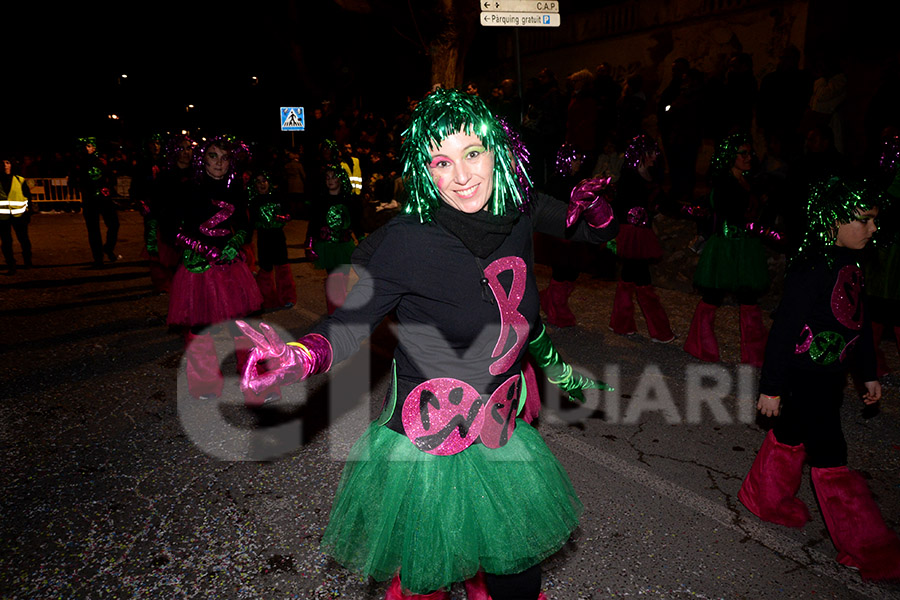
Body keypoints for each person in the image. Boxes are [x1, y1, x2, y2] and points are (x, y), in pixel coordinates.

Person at [235, 87, 618, 599]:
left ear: (496, 152)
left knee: (516, 572)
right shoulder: (406, 241)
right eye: (442, 161)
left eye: (472, 154)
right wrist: (298, 356)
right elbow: (348, 326)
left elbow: (588, 234)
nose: (461, 177)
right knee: (428, 574)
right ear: (425, 170)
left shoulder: (518, 206)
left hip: (499, 423)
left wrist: (595, 210)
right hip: (430, 436)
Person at [738, 175, 900, 581]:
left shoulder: (853, 265)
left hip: (829, 377)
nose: (873, 229)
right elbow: (783, 330)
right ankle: (868, 546)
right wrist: (771, 387)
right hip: (802, 376)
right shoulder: (812, 268)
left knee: (792, 434)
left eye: (875, 221)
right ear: (832, 220)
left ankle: (764, 498)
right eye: (864, 220)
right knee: (831, 454)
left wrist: (868, 373)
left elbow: (857, 324)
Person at [166, 136, 263, 402]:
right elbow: (171, 230)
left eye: (224, 157)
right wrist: (201, 247)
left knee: (242, 326)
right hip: (198, 267)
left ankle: (254, 378)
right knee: (201, 326)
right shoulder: (187, 189)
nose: (219, 162)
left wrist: (235, 241)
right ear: (202, 159)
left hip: (229, 265)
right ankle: (205, 384)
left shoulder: (236, 190)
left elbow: (244, 225)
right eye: (213, 155)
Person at [683, 133, 770, 367]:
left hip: (745, 246)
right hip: (726, 246)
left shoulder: (749, 180)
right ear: (730, 156)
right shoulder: (723, 182)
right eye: (743, 153)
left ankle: (754, 354)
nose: (748, 157)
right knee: (713, 296)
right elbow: (728, 212)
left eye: (750, 152)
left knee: (748, 299)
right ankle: (700, 345)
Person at [607, 135, 675, 342]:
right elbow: (620, 205)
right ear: (642, 154)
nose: (656, 155)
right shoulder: (629, 176)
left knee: (629, 277)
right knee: (643, 280)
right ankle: (660, 331)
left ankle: (621, 323)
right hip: (632, 234)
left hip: (641, 233)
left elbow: (660, 202)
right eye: (652, 151)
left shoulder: (650, 175)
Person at [307, 164, 361, 314]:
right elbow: (313, 224)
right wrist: (309, 244)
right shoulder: (320, 200)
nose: (330, 181)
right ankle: (336, 312)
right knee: (334, 279)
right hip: (327, 247)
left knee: (343, 279)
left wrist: (362, 239)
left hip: (344, 246)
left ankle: (341, 309)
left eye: (334, 177)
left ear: (340, 179)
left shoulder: (349, 200)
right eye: (327, 178)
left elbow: (357, 223)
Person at [248, 170, 296, 310]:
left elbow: (289, 212)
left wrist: (286, 217)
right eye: (258, 181)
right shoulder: (254, 202)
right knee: (265, 269)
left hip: (278, 238)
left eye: (264, 181)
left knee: (283, 267)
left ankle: (287, 297)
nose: (262, 184)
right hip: (264, 239)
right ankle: (268, 299)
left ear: (269, 182)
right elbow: (250, 223)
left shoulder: (277, 197)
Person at [70, 137, 120, 268]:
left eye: (90, 146)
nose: (88, 149)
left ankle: (108, 248)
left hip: (104, 199)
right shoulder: (79, 163)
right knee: (93, 230)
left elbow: (111, 176)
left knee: (114, 224)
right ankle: (98, 259)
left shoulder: (101, 161)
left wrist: (107, 187)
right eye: (86, 146)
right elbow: (73, 181)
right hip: (90, 200)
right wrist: (84, 188)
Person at [0, 156, 33, 274]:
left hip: (19, 215)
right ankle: (11, 264)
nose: (5, 165)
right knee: (6, 242)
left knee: (24, 240)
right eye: (2, 163)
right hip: (2, 217)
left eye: (7, 162)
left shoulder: (20, 180)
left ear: (11, 165)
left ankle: (27, 261)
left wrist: (29, 213)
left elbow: (28, 197)